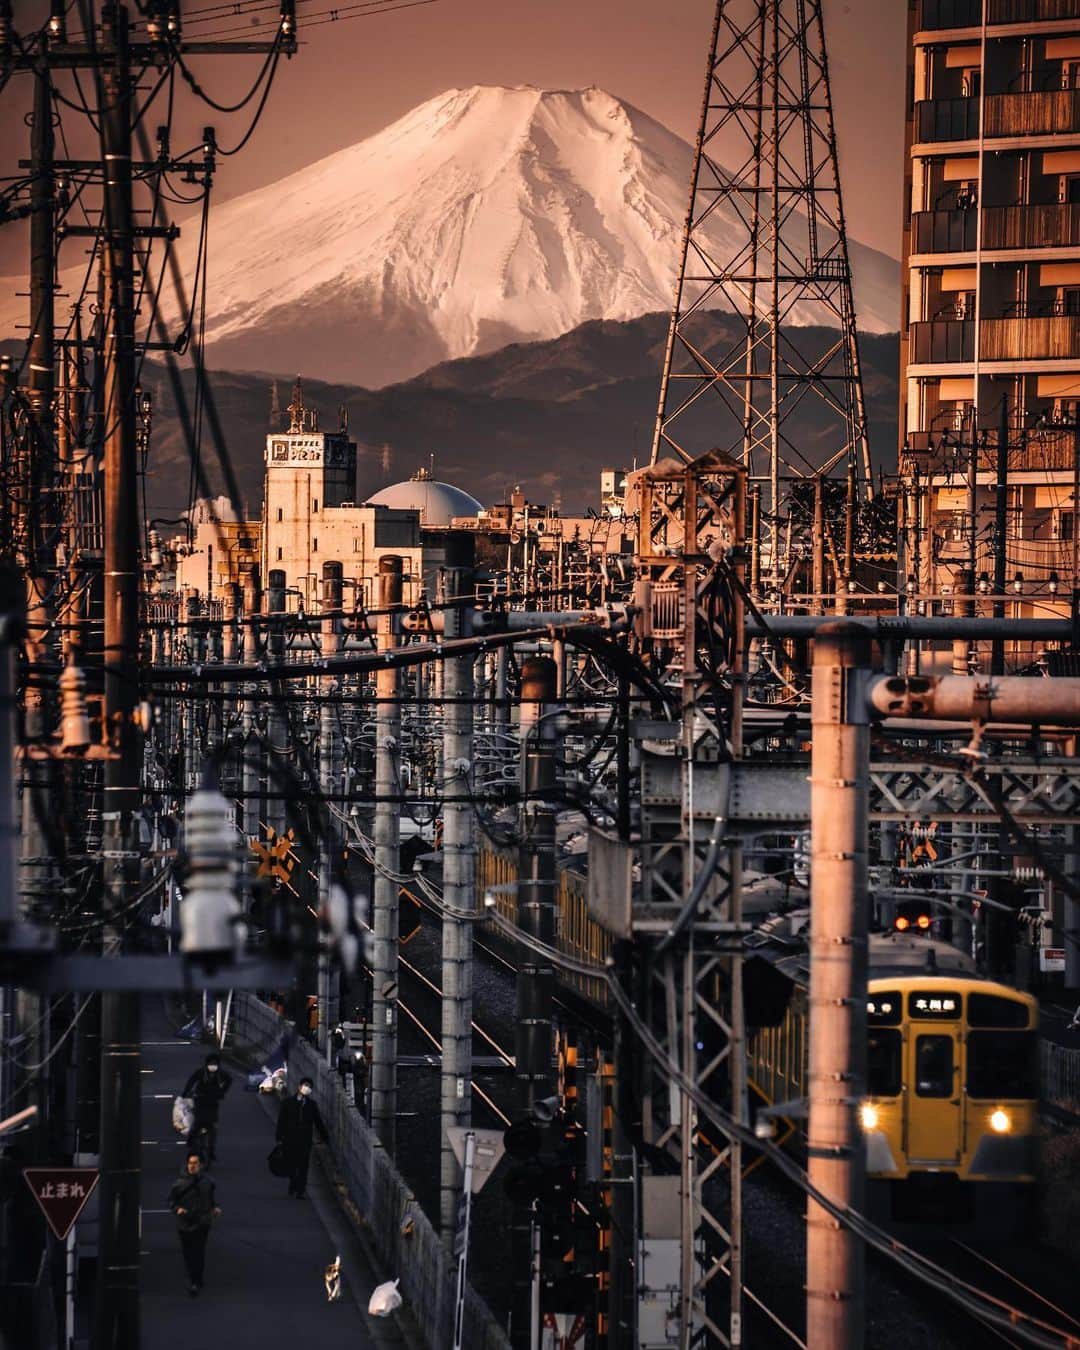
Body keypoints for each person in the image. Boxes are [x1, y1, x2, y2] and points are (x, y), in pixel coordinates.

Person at [168, 1152, 222, 1296]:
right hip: (185, 1223)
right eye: (190, 1163)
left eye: (195, 1163)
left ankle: (195, 1280)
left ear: (201, 1165)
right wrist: (177, 1209)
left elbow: (211, 1199)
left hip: (202, 1221)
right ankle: (195, 1277)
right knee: (188, 1253)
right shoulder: (179, 1184)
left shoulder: (208, 1182)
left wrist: (214, 1208)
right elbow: (171, 1201)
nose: (192, 1166)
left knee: (198, 1251)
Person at [275, 1076, 328, 1198]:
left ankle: (300, 1190)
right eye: (305, 1085)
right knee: (292, 1164)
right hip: (290, 1138)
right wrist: (279, 1137)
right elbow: (281, 1121)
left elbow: (318, 1122)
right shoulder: (288, 1103)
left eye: (309, 1087)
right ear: (299, 1086)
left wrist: (325, 1137)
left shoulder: (311, 1105)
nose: (307, 1088)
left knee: (304, 1165)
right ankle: (293, 1184)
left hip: (305, 1139)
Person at [182, 1052, 232, 1163]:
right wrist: (186, 1092)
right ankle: (191, 1140)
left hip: (213, 1101)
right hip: (200, 1099)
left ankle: (211, 1150)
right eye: (211, 1063)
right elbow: (191, 1081)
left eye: (215, 1064)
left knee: (212, 1126)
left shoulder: (221, 1074)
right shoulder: (200, 1072)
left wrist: (222, 1091)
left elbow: (229, 1080)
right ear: (207, 1064)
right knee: (198, 1122)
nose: (213, 1066)